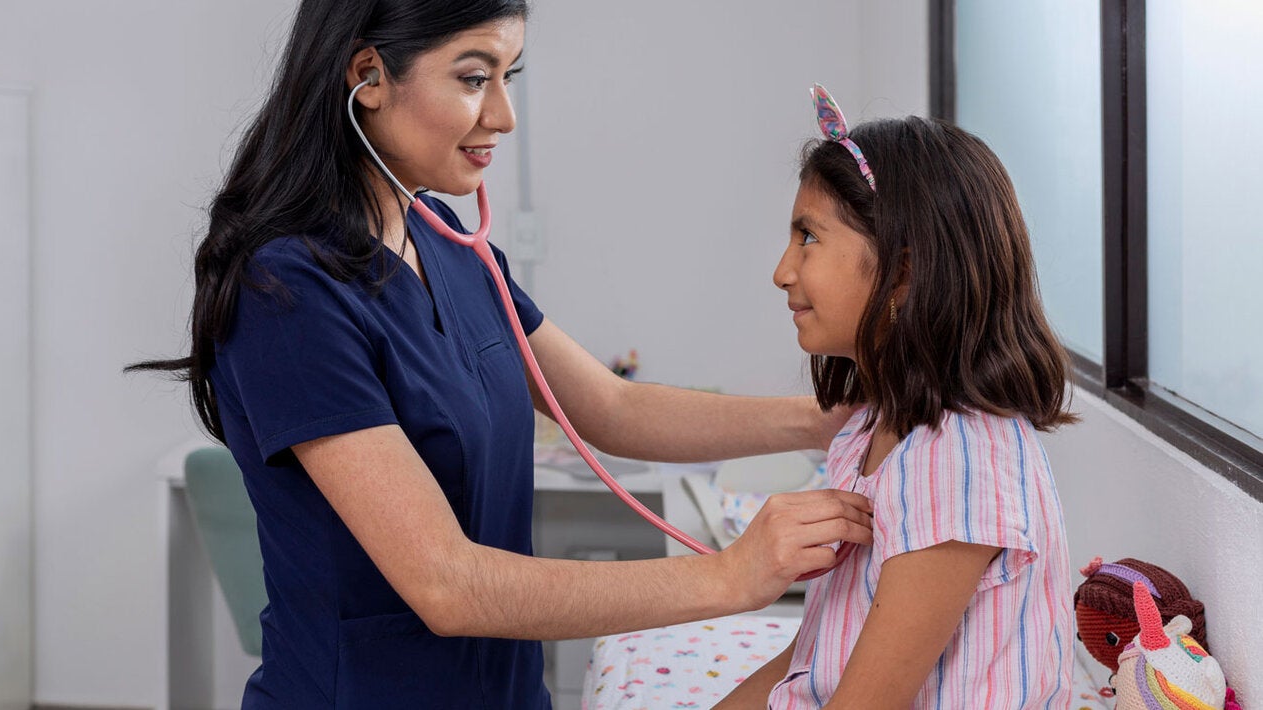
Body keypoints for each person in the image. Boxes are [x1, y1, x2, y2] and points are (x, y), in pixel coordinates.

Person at [129, 2, 874, 707]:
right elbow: (446, 585)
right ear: (368, 78)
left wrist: (826, 418)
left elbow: (612, 408)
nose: (503, 117)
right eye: (473, 77)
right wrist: (732, 577)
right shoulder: (286, 292)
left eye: (507, 78)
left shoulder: (446, 241)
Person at [715, 105, 1078, 708]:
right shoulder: (871, 432)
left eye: (808, 237)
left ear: (903, 271)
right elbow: (816, 656)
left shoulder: (957, 462)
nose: (782, 271)